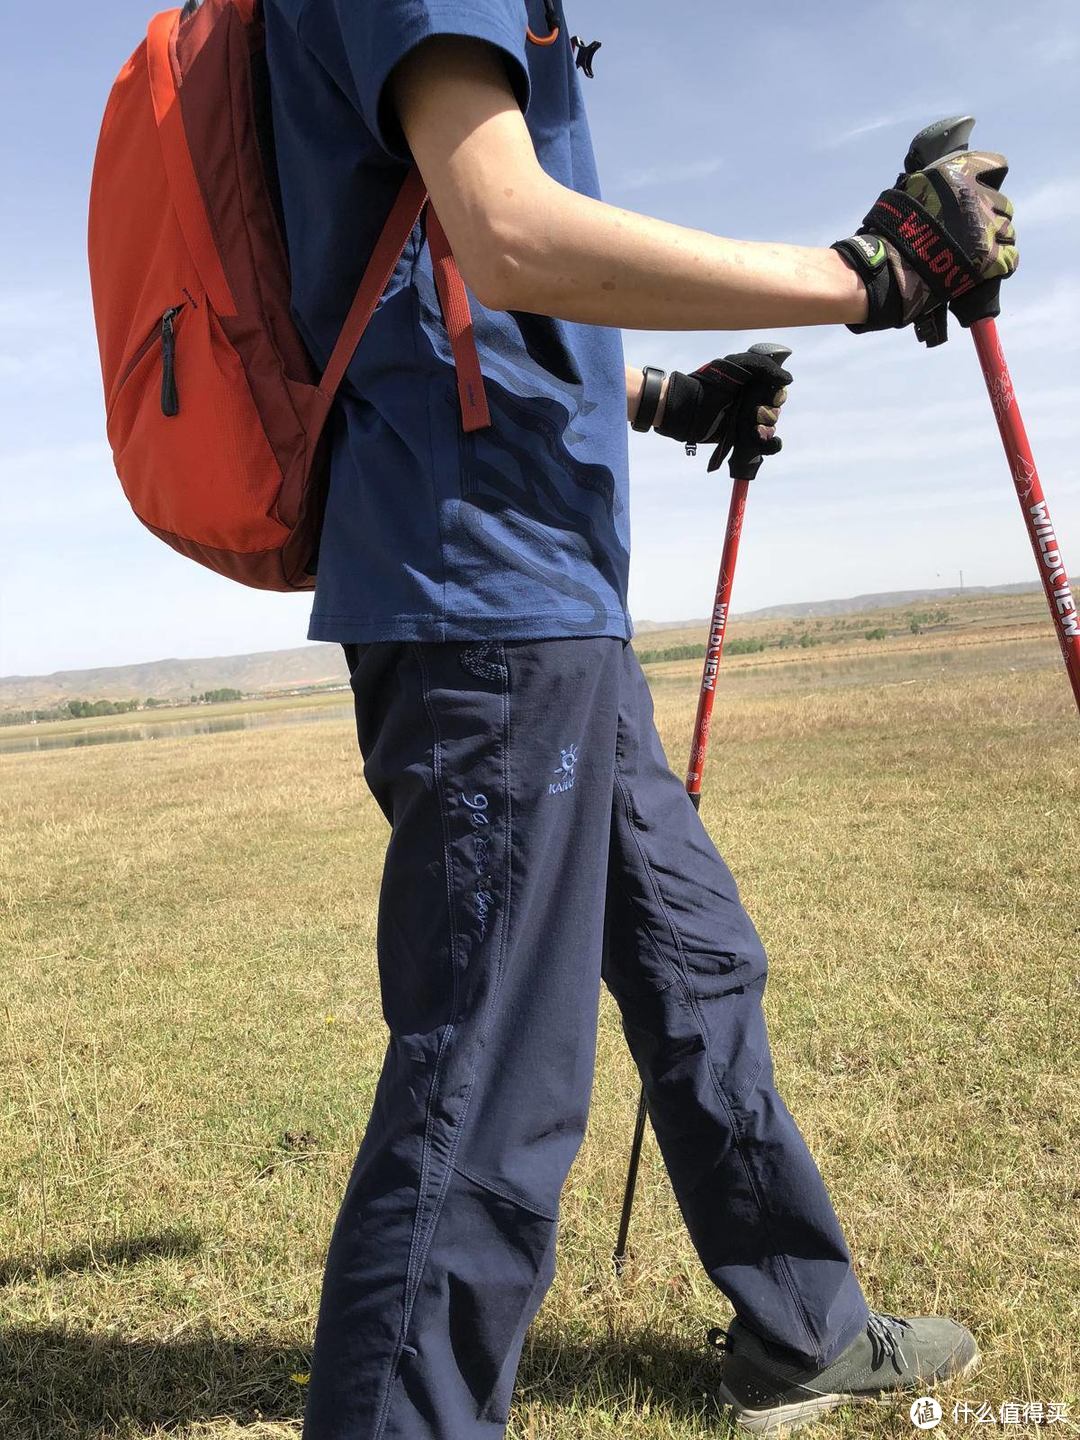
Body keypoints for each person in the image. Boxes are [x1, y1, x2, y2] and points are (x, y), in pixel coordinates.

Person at [261, 3, 1017, 1435]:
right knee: (491, 1071)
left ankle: (800, 1325)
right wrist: (861, 274)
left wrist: (666, 397)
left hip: (540, 588)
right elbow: (507, 229)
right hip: (486, 593)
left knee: (696, 960)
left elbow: (441, 277)